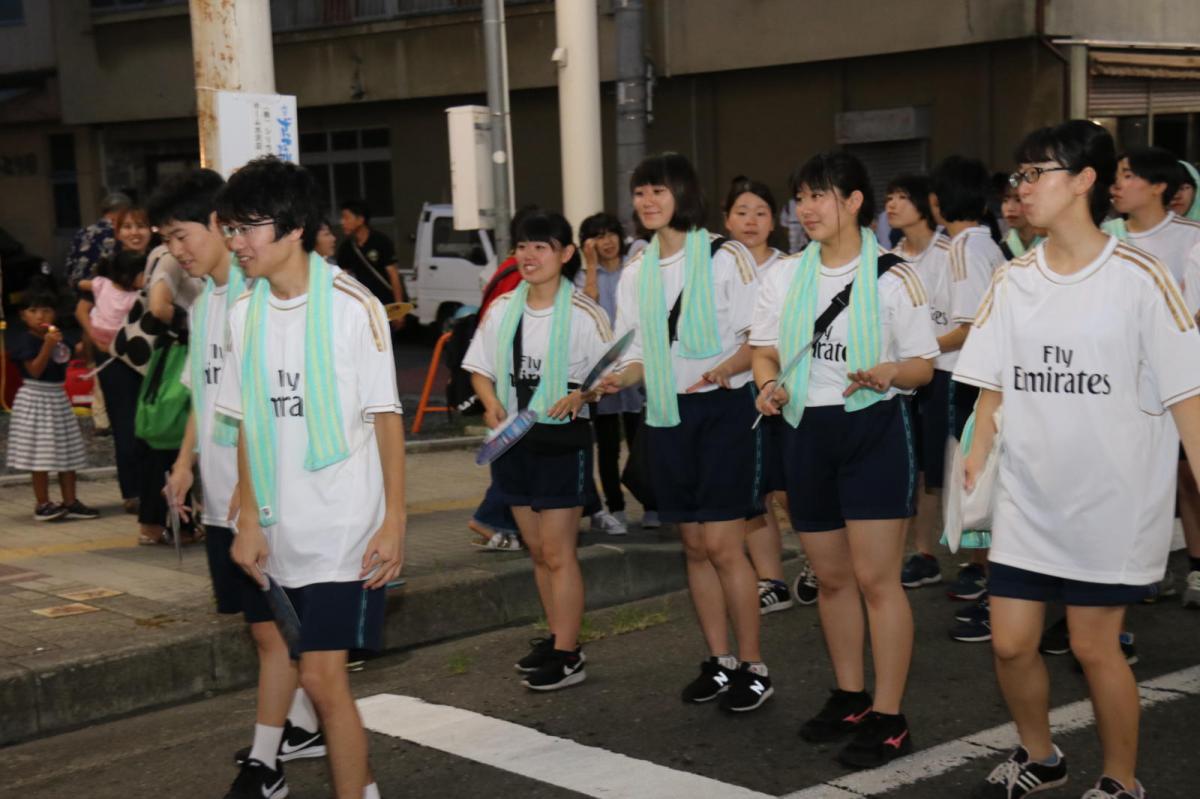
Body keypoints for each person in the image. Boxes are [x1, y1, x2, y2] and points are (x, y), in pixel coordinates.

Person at [957, 119, 1200, 799]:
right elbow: (992, 383)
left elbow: (1187, 399)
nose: (1022, 187)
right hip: (1027, 497)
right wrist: (977, 454)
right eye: (1020, 174)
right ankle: (1041, 756)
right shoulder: (1013, 280)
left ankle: (1121, 779)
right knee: (1010, 642)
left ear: (1084, 179)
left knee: (1095, 648)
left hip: (1110, 502)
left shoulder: (1141, 278)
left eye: (1036, 173)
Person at [217, 156, 404, 799]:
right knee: (312, 676)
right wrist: (247, 518)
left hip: (346, 526)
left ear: (293, 227)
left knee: (323, 679)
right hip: (281, 525)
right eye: (230, 229)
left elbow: (386, 418)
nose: (236, 243)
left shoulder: (355, 307)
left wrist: (395, 520)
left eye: (247, 228)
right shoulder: (244, 314)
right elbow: (248, 421)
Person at [751, 151, 937, 768]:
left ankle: (889, 715)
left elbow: (923, 366)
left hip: (873, 429)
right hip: (807, 432)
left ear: (854, 201)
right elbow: (764, 351)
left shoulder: (895, 277)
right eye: (801, 197)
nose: (806, 209)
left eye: (819, 195)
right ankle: (851, 696)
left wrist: (890, 373)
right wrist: (768, 385)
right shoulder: (782, 276)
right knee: (830, 578)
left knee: (877, 580)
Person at [151, 167, 326, 797]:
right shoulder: (205, 305)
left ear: (218, 225)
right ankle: (304, 725)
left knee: (271, 631)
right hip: (224, 498)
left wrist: (251, 497)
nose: (177, 251)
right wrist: (184, 464)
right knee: (264, 628)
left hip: (259, 501)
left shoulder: (256, 301)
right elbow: (206, 396)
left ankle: (265, 761)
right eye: (167, 241)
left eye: (182, 235)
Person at [600, 152, 774, 714]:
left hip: (723, 413)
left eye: (659, 190)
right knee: (695, 547)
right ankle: (720, 660)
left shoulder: (727, 257)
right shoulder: (636, 272)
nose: (648, 201)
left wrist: (728, 367)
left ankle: (754, 667)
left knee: (724, 546)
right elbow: (637, 355)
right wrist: (617, 380)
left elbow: (760, 339)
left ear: (683, 194)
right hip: (666, 415)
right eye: (640, 192)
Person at [464, 210, 611, 691]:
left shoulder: (586, 313)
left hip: (562, 442)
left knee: (558, 550)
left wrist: (586, 394)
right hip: (513, 440)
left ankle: (569, 654)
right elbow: (479, 369)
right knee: (537, 550)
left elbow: (610, 375)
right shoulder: (503, 308)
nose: (529, 255)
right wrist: (489, 402)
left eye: (540, 246)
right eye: (523, 246)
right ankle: (557, 637)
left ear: (565, 254)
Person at [721, 176, 815, 612]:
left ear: (774, 221)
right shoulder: (715, 267)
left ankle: (819, 560)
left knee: (790, 487)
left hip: (784, 391)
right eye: (741, 212)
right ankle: (771, 579)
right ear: (726, 219)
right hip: (733, 397)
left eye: (760, 213)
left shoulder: (791, 268)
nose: (750, 221)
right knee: (753, 493)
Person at [928, 156, 1008, 610]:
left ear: (939, 200)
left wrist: (918, 349)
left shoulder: (964, 248)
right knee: (982, 478)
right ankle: (988, 578)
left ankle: (995, 592)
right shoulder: (982, 243)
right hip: (978, 377)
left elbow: (970, 325)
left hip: (966, 376)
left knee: (977, 479)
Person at [884, 174, 953, 591]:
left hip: (944, 372)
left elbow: (970, 323)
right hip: (899, 376)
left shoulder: (949, 252)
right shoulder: (889, 259)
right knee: (914, 469)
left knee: (946, 467)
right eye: (889, 197)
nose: (892, 204)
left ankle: (979, 562)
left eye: (902, 197)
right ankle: (922, 553)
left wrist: (920, 350)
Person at [5, 283, 99, 521]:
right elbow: (34, 370)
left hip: (58, 397)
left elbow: (76, 353)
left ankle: (70, 501)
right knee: (40, 453)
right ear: (23, 315)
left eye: (46, 311)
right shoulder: (24, 340)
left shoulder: (59, 337)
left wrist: (89, 331)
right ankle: (42, 503)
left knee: (68, 451)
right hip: (35, 397)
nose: (40, 316)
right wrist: (48, 346)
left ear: (54, 313)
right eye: (33, 311)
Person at [576, 211, 642, 536]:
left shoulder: (635, 266)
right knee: (608, 447)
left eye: (611, 233)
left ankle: (652, 503)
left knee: (641, 442)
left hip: (636, 364)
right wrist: (591, 268)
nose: (607, 241)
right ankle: (615, 507)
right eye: (599, 236)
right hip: (602, 371)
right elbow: (586, 310)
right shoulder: (581, 277)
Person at [336, 199, 406, 314]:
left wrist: (399, 309)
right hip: (366, 307)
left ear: (360, 220)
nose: (342, 222)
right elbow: (342, 279)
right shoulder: (346, 247)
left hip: (388, 304)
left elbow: (393, 275)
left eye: (346, 218)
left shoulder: (381, 241)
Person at [78, 250, 145, 352]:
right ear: (126, 276)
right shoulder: (134, 297)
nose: (146, 277)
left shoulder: (103, 283)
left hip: (96, 329)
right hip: (115, 336)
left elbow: (82, 284)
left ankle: (89, 359)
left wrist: (86, 285)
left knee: (93, 315)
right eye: (142, 274)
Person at [1001, 177, 1046, 258]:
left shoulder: (1050, 242)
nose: (1010, 208)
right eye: (1005, 200)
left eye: (1018, 200)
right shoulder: (1004, 245)